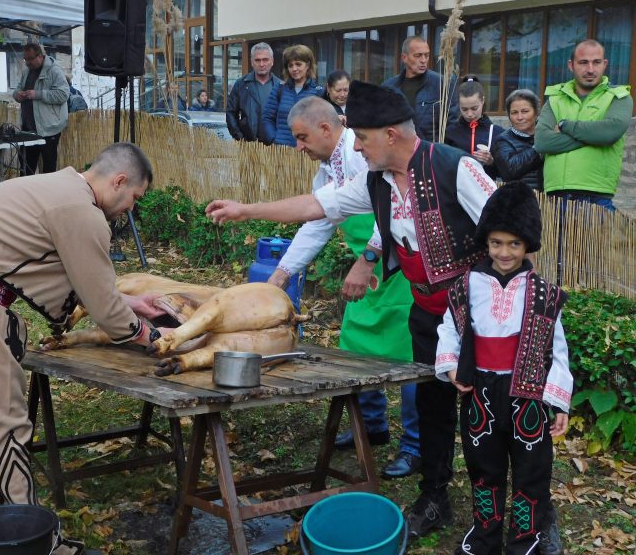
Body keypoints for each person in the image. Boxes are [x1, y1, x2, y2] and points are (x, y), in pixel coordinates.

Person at [206, 81, 497, 538]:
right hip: (427, 313)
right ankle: (435, 496)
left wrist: (510, 310)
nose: (355, 146)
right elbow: (317, 206)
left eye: (361, 137)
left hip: (479, 315)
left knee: (485, 414)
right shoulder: (375, 182)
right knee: (435, 407)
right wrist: (248, 210)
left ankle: (497, 511)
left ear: (391, 135)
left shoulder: (455, 168)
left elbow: (512, 232)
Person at [0, 143, 163, 555]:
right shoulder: (82, 212)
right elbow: (104, 308)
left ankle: (1, 516)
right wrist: (149, 336)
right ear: (119, 181)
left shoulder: (56, 186)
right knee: (1, 420)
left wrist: (127, 303)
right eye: (133, 198)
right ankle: (30, 541)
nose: (129, 210)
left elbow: (79, 279)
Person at [267, 96, 419, 477]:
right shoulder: (325, 173)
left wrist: (367, 259)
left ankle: (416, 446)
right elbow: (317, 223)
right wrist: (281, 275)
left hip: (400, 271)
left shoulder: (363, 154)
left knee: (414, 360)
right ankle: (371, 426)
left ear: (325, 128)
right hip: (367, 274)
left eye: (302, 137)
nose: (298, 146)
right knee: (354, 345)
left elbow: (397, 208)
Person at [435, 181, 571, 555]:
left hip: (527, 396)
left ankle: (525, 541)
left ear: (528, 243)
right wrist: (449, 366)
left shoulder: (544, 293)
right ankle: (484, 537)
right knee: (484, 468)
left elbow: (557, 350)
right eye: (496, 243)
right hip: (481, 392)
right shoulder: (467, 286)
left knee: (531, 471)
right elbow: (449, 327)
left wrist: (558, 402)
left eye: (514, 243)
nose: (505, 251)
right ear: (487, 242)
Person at [534, 39, 632, 210]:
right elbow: (542, 142)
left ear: (605, 64)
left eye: (596, 62)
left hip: (597, 196)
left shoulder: (619, 97)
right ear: (571, 65)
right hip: (556, 196)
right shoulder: (555, 99)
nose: (590, 69)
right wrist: (595, 135)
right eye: (583, 63)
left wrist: (565, 125)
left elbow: (610, 132)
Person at [382, 35, 459, 142]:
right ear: (404, 57)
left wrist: (441, 153)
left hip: (431, 152)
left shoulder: (443, 84)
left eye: (426, 55)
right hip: (397, 152)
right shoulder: (388, 87)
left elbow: (452, 126)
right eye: (418, 56)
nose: (423, 60)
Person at [13, 42, 70, 175]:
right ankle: (28, 194)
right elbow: (18, 88)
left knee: (48, 169)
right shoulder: (27, 71)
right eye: (25, 59)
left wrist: (37, 94)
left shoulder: (54, 71)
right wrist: (18, 95)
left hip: (48, 129)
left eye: (30, 59)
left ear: (40, 56)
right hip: (28, 129)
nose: (27, 62)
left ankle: (46, 195)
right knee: (26, 168)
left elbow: (63, 94)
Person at [261, 44, 323, 146]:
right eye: (290, 65)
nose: (294, 69)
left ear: (307, 65)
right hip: (281, 152)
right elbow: (267, 118)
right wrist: (274, 139)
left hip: (307, 153)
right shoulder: (279, 89)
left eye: (298, 64)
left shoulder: (319, 92)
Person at [445, 76, 504, 180]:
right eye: (464, 109)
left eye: (474, 108)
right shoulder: (450, 132)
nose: (469, 114)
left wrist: (491, 162)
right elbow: (443, 166)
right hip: (457, 190)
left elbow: (504, 172)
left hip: (486, 191)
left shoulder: (496, 132)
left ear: (483, 101)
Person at [226, 42, 282, 142]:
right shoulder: (241, 85)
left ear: (272, 61)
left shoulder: (281, 86)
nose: (261, 64)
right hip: (249, 147)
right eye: (257, 60)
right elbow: (231, 113)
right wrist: (240, 138)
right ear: (252, 62)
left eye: (265, 60)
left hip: (276, 149)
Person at [492, 89, 545, 191]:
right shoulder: (503, 140)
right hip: (520, 199)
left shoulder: (546, 134)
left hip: (552, 200)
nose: (519, 117)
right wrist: (539, 148)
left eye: (525, 111)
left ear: (536, 113)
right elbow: (509, 170)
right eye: (514, 113)